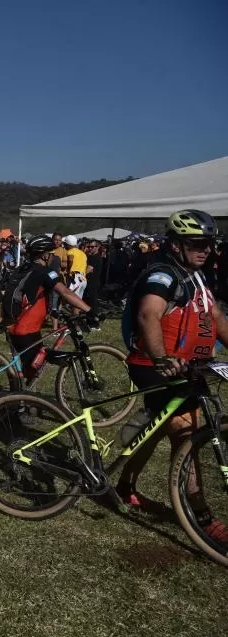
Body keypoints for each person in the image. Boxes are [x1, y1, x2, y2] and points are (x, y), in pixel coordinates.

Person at [119, 210, 228, 540]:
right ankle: (202, 516)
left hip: (187, 365)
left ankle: (124, 484)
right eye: (197, 243)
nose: (205, 249)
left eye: (209, 243)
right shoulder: (163, 275)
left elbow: (216, 317)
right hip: (155, 364)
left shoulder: (197, 277)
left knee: (155, 427)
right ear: (177, 244)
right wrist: (162, 359)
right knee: (186, 432)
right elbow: (148, 313)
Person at [4, 236, 93, 382]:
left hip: (14, 322)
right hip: (26, 328)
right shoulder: (44, 272)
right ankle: (20, 400)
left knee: (28, 367)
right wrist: (89, 311)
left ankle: (21, 396)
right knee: (34, 367)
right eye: (52, 254)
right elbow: (65, 292)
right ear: (45, 255)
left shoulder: (23, 268)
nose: (53, 256)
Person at [63, 235, 88, 305]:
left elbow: (70, 260)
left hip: (75, 278)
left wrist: (68, 270)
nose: (64, 245)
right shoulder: (83, 254)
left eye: (65, 244)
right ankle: (77, 315)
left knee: (73, 300)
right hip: (83, 279)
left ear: (68, 244)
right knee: (78, 301)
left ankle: (74, 314)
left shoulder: (70, 251)